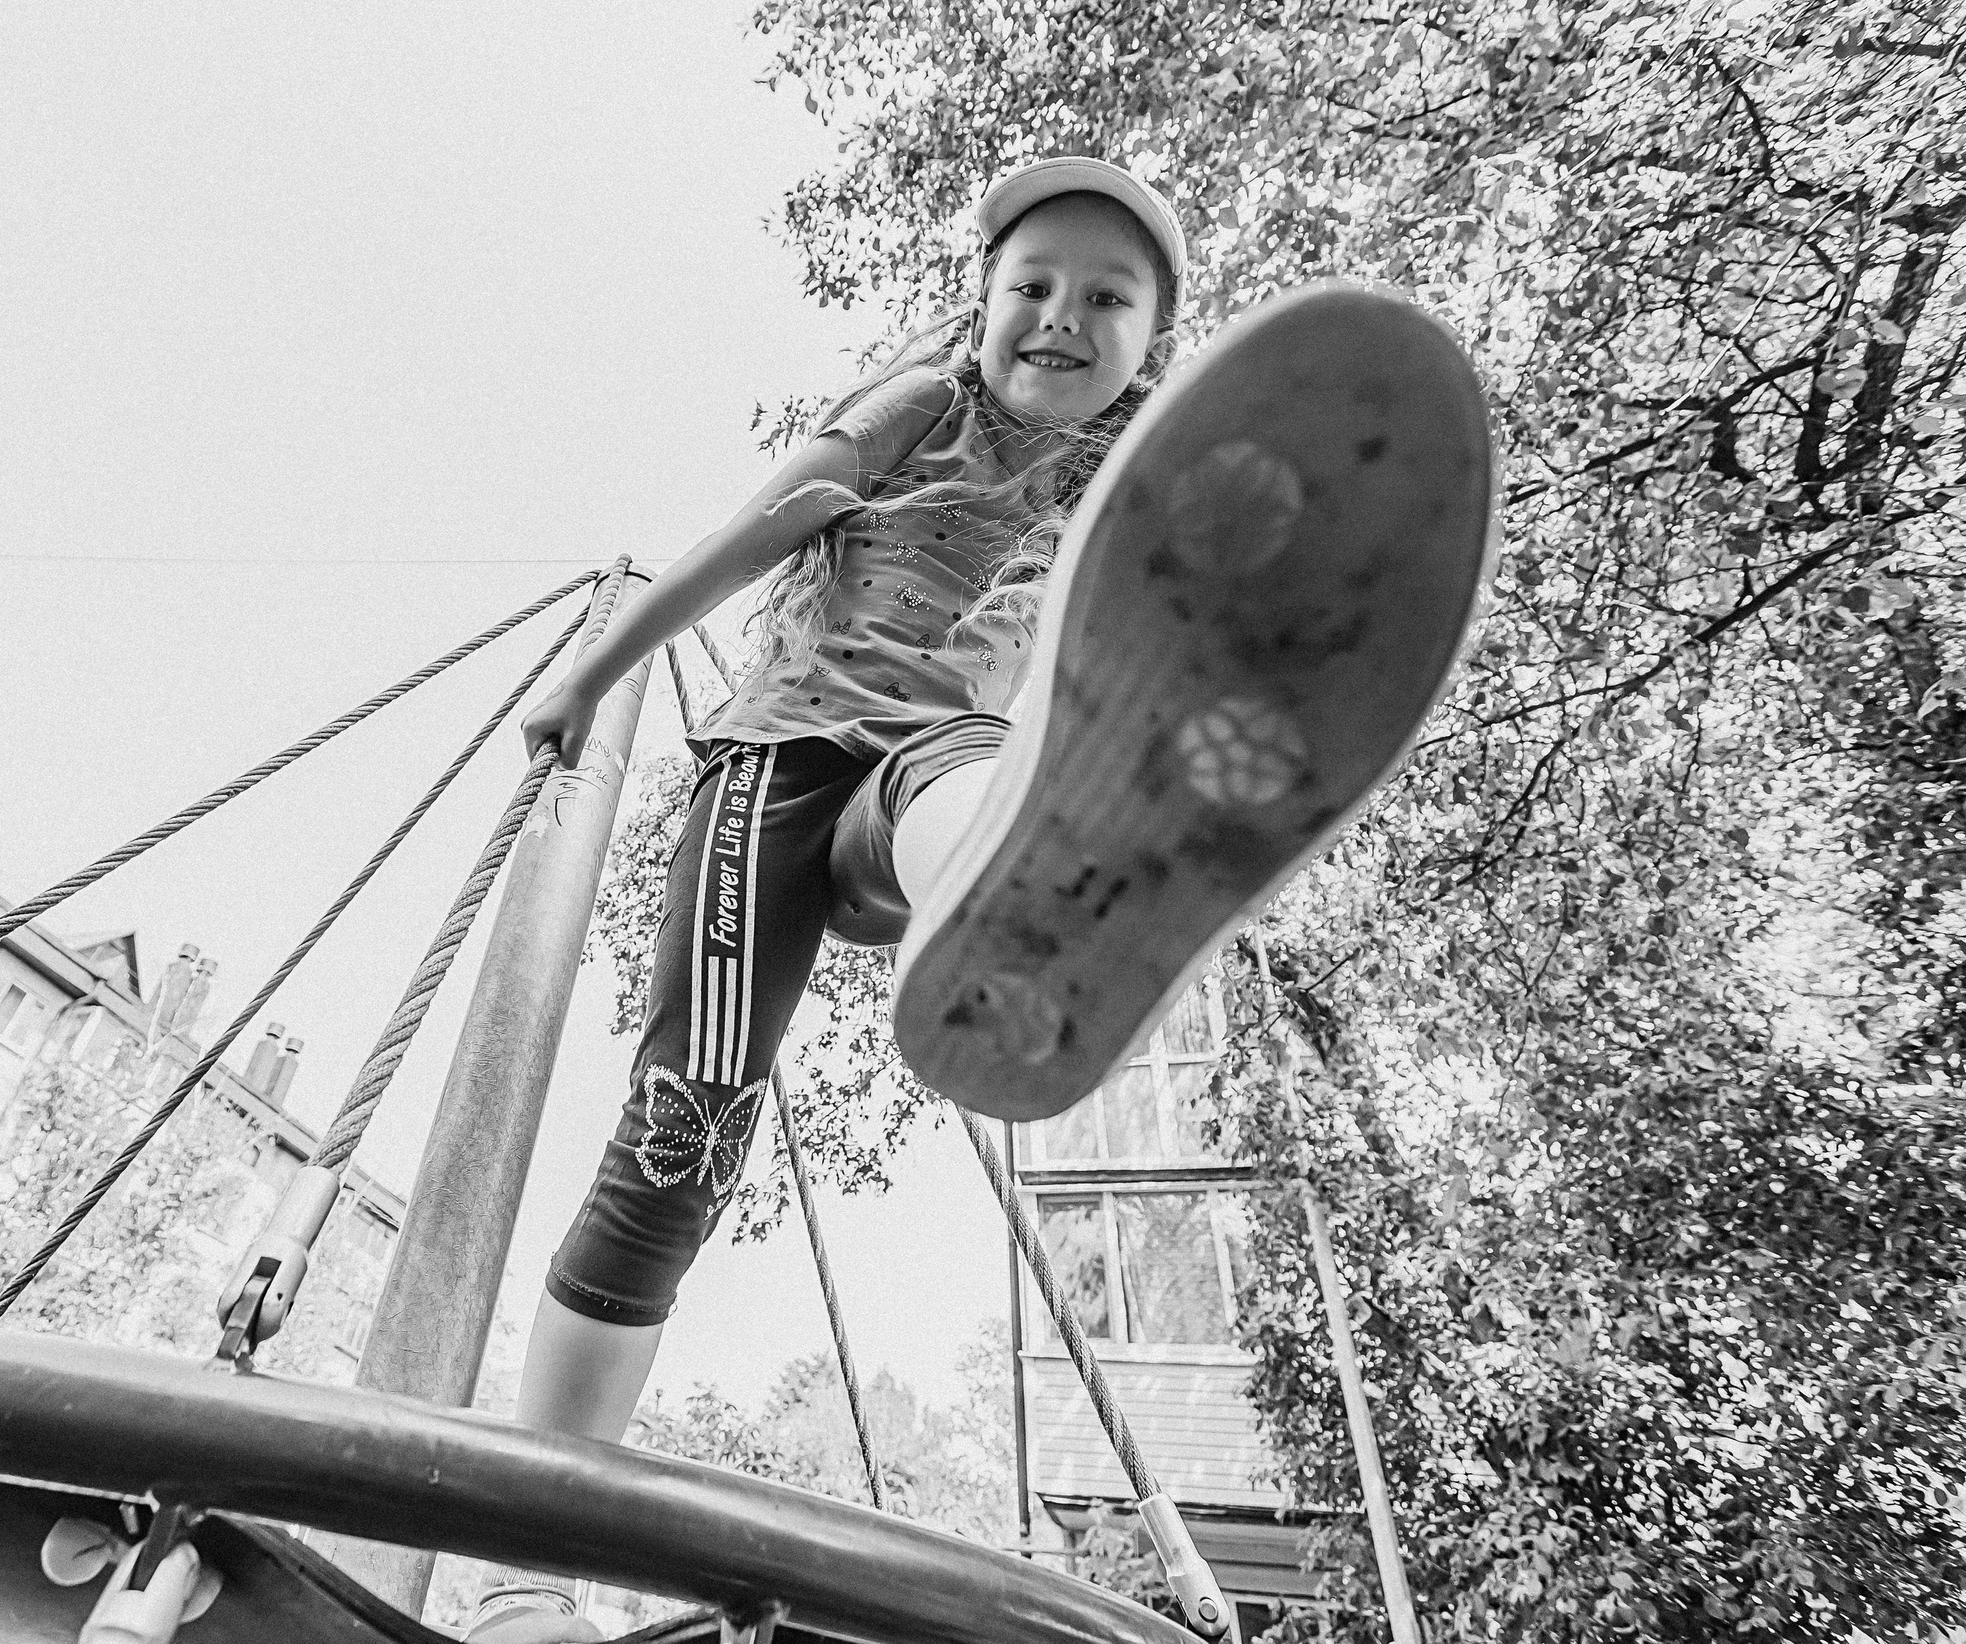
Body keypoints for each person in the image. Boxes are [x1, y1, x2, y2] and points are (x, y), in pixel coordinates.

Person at [469, 157, 1494, 1642]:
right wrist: (589, 673)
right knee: (684, 1140)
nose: (1059, 319)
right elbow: (756, 530)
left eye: (1106, 300)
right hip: (786, 762)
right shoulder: (918, 408)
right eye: (1031, 288)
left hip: (935, 785)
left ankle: (1026, 882)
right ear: (982, 304)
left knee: (969, 773)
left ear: (1155, 342)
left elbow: (1255, 554)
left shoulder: (1142, 476)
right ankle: (520, 1565)